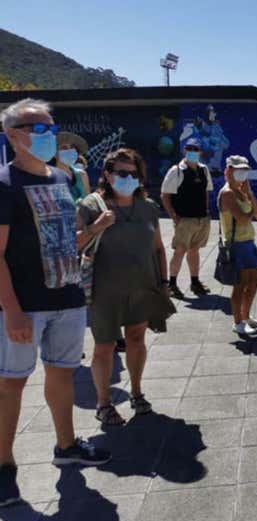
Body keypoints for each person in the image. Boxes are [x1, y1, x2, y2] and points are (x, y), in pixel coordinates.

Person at [0, 99, 111, 507]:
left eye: (50, 127)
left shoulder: (61, 180)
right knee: (11, 384)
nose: (48, 135)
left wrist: (95, 232)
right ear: (13, 134)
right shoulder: (4, 184)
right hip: (25, 304)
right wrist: (11, 308)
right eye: (37, 128)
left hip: (68, 298)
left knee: (62, 375)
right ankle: (4, 467)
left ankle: (66, 446)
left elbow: (66, 242)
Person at [76, 148, 167, 427]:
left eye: (134, 174)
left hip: (142, 285)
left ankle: (137, 392)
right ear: (107, 174)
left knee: (137, 340)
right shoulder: (91, 206)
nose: (129, 178)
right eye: (122, 173)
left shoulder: (148, 206)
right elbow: (73, 244)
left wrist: (164, 283)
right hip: (105, 290)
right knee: (104, 347)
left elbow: (158, 248)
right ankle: (104, 404)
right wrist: (96, 227)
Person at [217, 155, 257, 336]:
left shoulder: (242, 190)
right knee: (240, 284)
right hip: (236, 244)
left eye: (245, 170)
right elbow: (244, 219)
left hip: (248, 242)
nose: (242, 173)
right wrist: (253, 211)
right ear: (229, 170)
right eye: (239, 170)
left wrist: (250, 193)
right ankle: (238, 322)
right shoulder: (228, 193)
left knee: (255, 281)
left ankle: (246, 317)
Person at [160, 137, 213, 299]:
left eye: (195, 149)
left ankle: (195, 281)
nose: (192, 152)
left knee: (195, 250)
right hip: (184, 219)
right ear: (184, 150)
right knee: (180, 251)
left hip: (201, 218)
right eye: (189, 149)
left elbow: (206, 191)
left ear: (200, 152)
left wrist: (207, 211)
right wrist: (174, 217)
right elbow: (165, 195)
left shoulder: (204, 169)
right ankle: (172, 284)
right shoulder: (176, 170)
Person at [55, 131, 90, 202]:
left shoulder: (82, 175)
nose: (69, 150)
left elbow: (88, 205)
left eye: (72, 147)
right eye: (64, 147)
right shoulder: (48, 176)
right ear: (54, 153)